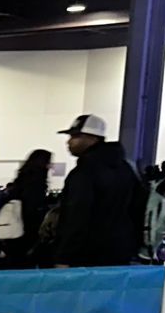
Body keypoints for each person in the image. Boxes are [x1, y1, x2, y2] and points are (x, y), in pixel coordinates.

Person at [54, 114, 141, 267]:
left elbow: (76, 216)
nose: (69, 142)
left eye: (76, 136)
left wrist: (64, 257)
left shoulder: (84, 172)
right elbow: (138, 208)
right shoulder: (126, 168)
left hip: (86, 255)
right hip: (120, 252)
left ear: (92, 138)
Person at [0, 149, 53, 266]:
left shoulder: (21, 180)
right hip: (28, 231)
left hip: (14, 230)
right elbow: (32, 209)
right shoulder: (36, 183)